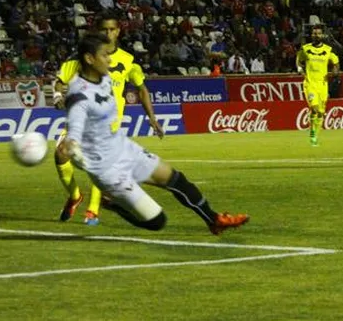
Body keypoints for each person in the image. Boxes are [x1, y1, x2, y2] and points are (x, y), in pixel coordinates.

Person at [58, 34, 249, 235]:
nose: (110, 60)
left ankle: (214, 220)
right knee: (158, 222)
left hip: (122, 147)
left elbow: (138, 89)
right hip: (108, 170)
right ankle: (112, 204)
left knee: (176, 179)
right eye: (105, 55)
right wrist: (74, 151)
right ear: (89, 59)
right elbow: (72, 140)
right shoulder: (79, 97)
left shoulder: (105, 77)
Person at [52, 13, 164, 226]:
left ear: (118, 31)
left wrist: (152, 118)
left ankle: (93, 212)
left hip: (107, 124)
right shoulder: (83, 59)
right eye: (104, 30)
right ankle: (75, 196)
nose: (108, 33)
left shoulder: (128, 60)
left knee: (98, 165)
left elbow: (141, 89)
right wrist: (58, 96)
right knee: (60, 156)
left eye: (112, 29)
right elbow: (60, 80)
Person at [296, 25, 340, 146]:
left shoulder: (328, 50)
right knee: (314, 109)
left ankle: (315, 135)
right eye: (314, 33)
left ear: (322, 35)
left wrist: (335, 71)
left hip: (323, 85)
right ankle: (312, 132)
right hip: (310, 83)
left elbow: (336, 62)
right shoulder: (305, 49)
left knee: (321, 112)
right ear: (311, 35)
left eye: (318, 33)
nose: (316, 35)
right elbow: (299, 59)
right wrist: (300, 68)